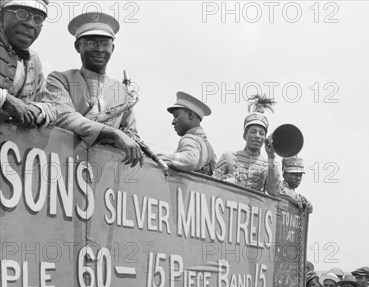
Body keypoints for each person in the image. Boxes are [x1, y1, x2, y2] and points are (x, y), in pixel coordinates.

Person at [44, 12, 142, 166]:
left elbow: (131, 136)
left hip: (102, 174)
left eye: (105, 43)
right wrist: (113, 132)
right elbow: (64, 117)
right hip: (60, 164)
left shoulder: (122, 92)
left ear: (113, 48)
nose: (99, 49)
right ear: (77, 46)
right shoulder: (59, 79)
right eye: (91, 43)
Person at [0, 0, 55, 127]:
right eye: (21, 13)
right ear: (1, 17)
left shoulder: (34, 60)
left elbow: (51, 106)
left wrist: (37, 109)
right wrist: (4, 100)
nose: (30, 24)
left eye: (37, 19)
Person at [213, 94, 278, 194]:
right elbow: (211, 186)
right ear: (244, 136)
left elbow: (274, 192)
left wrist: (271, 158)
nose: (257, 136)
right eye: (253, 132)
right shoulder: (228, 157)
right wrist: (227, 183)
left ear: (265, 138)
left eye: (261, 133)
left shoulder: (267, 165)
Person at [157, 91, 216, 174]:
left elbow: (190, 160)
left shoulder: (189, 139)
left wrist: (157, 158)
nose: (173, 122)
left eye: (176, 116)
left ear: (190, 115)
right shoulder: (208, 147)